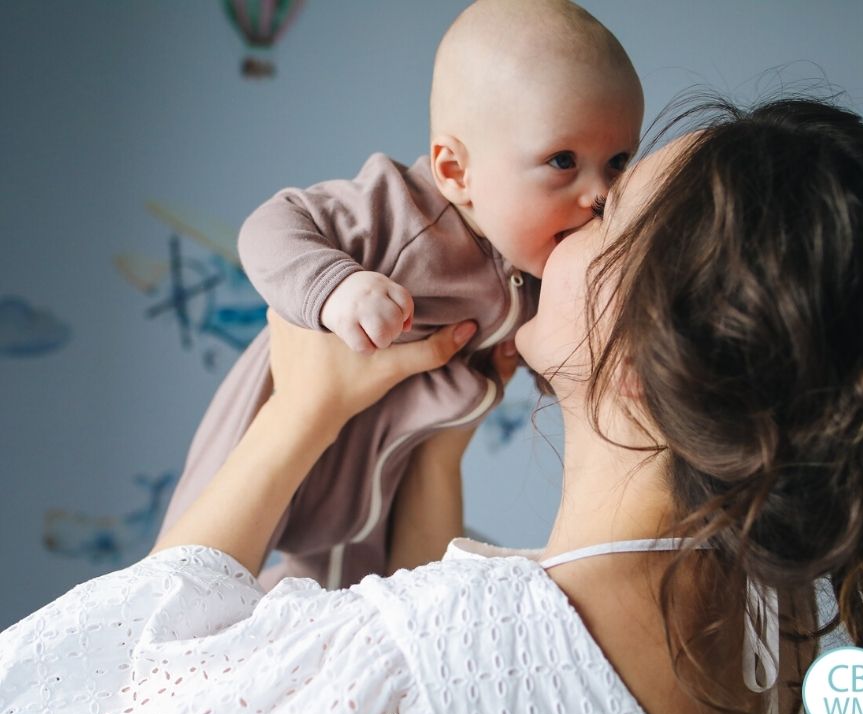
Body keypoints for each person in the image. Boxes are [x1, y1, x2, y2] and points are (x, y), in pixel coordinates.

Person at [2, 94, 863, 714]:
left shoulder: (432, 653)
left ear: (647, 358)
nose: (572, 216)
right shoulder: (764, 640)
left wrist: (298, 412)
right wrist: (438, 455)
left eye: (608, 214)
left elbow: (107, 713)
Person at [156, 0, 645, 592]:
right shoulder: (401, 212)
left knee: (349, 600)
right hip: (284, 414)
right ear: (455, 170)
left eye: (619, 163)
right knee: (189, 580)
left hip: (384, 466)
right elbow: (272, 224)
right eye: (562, 161)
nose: (599, 194)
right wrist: (335, 287)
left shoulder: (541, 260)